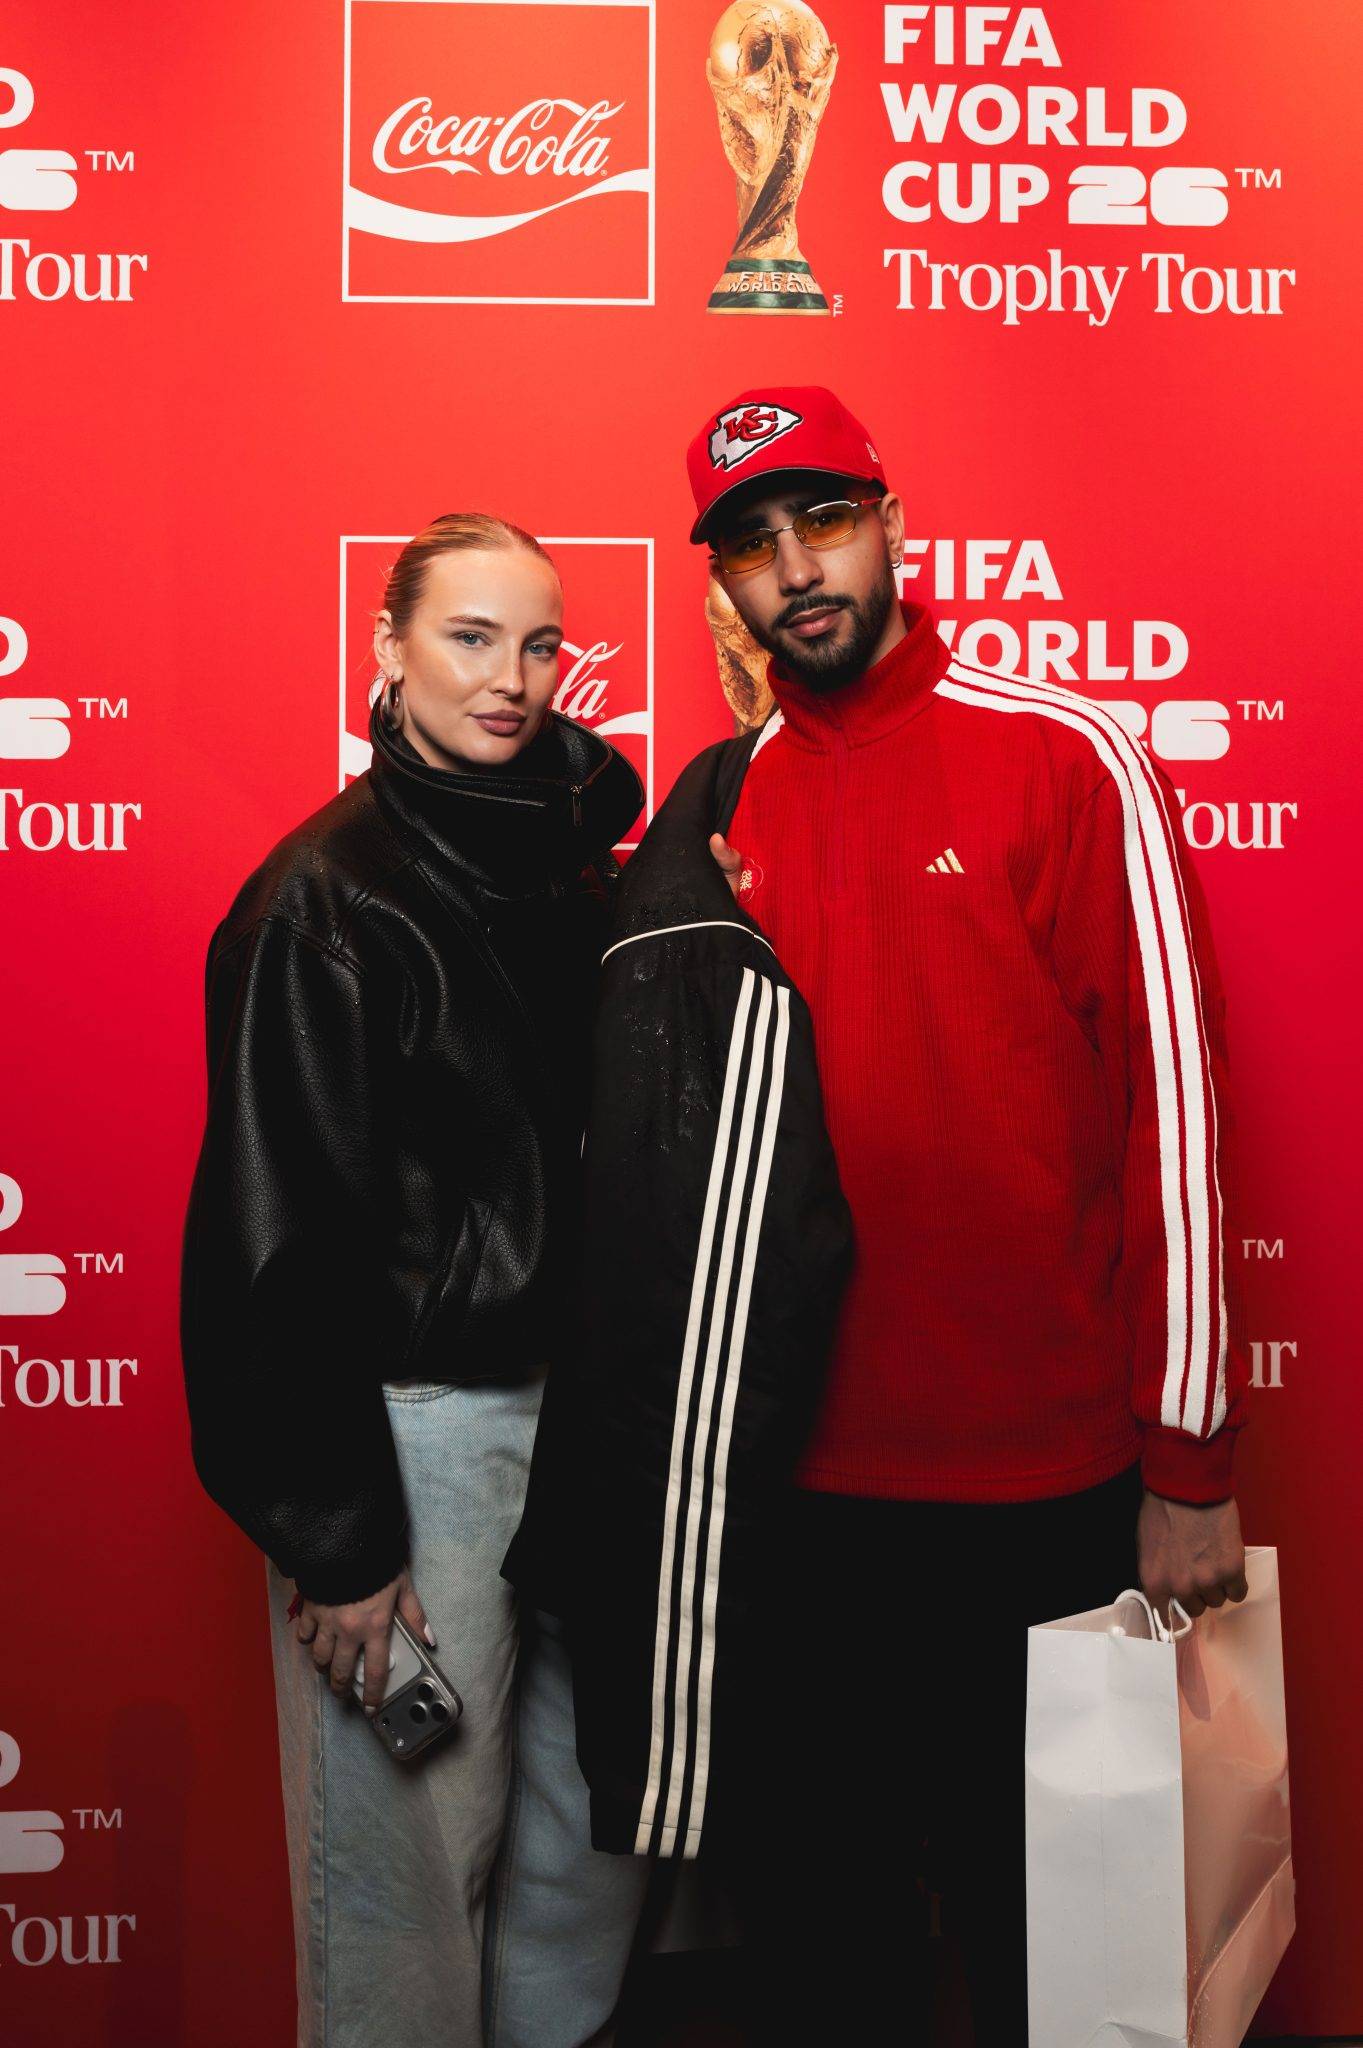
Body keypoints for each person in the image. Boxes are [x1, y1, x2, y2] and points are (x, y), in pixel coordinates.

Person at [505, 388, 1251, 2044]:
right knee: (827, 1952)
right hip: (797, 1502)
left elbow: (1177, 1120)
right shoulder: (717, 811)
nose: (798, 569)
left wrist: (1188, 1460)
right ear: (726, 585)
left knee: (1065, 1951)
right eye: (754, 546)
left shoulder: (1068, 755)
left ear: (890, 521)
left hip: (1044, 1491)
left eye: (823, 522)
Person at [179, 513, 650, 2048]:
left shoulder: (579, 870)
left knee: (584, 1863)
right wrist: (335, 1537)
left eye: (539, 644)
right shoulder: (325, 897)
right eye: (469, 638)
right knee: (409, 1882)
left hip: (591, 1425)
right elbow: (272, 1236)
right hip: (423, 1435)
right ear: (385, 649)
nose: (511, 679)